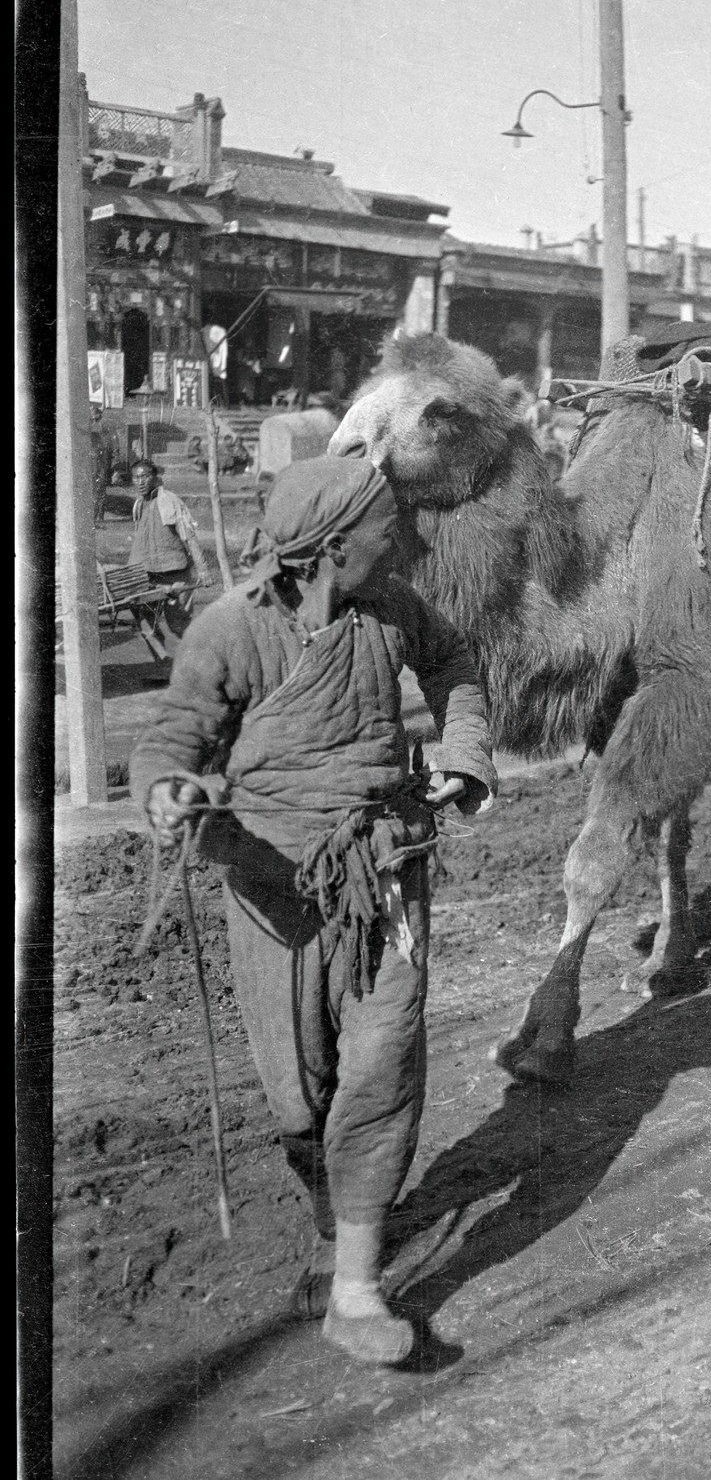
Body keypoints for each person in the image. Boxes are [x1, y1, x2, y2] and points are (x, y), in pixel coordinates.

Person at [129, 455, 497, 1366]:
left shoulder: (394, 610)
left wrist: (462, 747)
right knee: (300, 1094)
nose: (400, 539)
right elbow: (173, 737)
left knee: (383, 1062)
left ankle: (358, 1292)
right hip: (271, 888)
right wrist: (172, 790)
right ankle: (338, 1221)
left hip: (385, 874)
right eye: (383, 527)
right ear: (335, 546)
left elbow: (454, 661)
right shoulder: (230, 629)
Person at [128, 459, 213, 649]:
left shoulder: (169, 501)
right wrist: (132, 575)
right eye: (136, 478)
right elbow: (140, 543)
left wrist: (203, 570)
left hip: (177, 574)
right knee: (146, 622)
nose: (140, 482)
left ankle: (206, 659)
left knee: (179, 625)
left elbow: (189, 537)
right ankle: (162, 663)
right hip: (150, 577)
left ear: (155, 477)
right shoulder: (139, 506)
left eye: (145, 476)